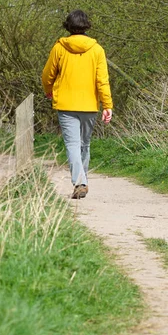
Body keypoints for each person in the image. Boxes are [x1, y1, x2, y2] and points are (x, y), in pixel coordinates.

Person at [41, 10, 113, 199]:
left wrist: (49, 89)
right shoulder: (97, 50)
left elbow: (47, 74)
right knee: (84, 144)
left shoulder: (59, 48)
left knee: (73, 144)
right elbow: (102, 80)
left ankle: (80, 182)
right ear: (86, 26)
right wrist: (107, 105)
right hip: (89, 104)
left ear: (68, 26)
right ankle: (82, 180)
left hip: (66, 103)